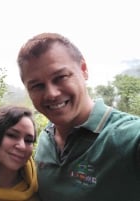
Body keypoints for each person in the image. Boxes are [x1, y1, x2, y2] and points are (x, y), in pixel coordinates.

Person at [17, 32, 140, 201]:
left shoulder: (129, 137)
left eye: (61, 77)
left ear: (83, 70)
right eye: (37, 86)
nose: (51, 94)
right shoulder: (45, 137)